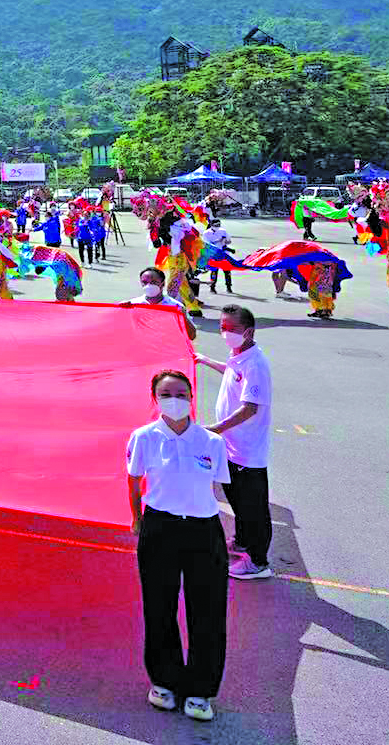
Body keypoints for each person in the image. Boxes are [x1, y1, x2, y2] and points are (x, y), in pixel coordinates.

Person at [125, 369, 229, 723]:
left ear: (191, 397)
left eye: (182, 394)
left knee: (208, 611)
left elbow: (214, 488)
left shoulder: (211, 442)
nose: (175, 400)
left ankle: (200, 689)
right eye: (166, 394)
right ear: (155, 399)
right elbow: (133, 479)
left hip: (204, 533)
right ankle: (164, 681)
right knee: (159, 606)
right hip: (160, 529)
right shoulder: (144, 437)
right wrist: (137, 519)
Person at [197, 305, 274, 580]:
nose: (225, 332)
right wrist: (205, 360)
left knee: (253, 508)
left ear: (248, 331)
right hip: (231, 447)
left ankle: (258, 562)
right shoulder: (238, 355)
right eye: (223, 327)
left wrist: (215, 429)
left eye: (231, 328)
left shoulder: (256, 364)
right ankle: (242, 541)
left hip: (247, 452)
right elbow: (231, 374)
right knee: (236, 500)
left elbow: (249, 409)